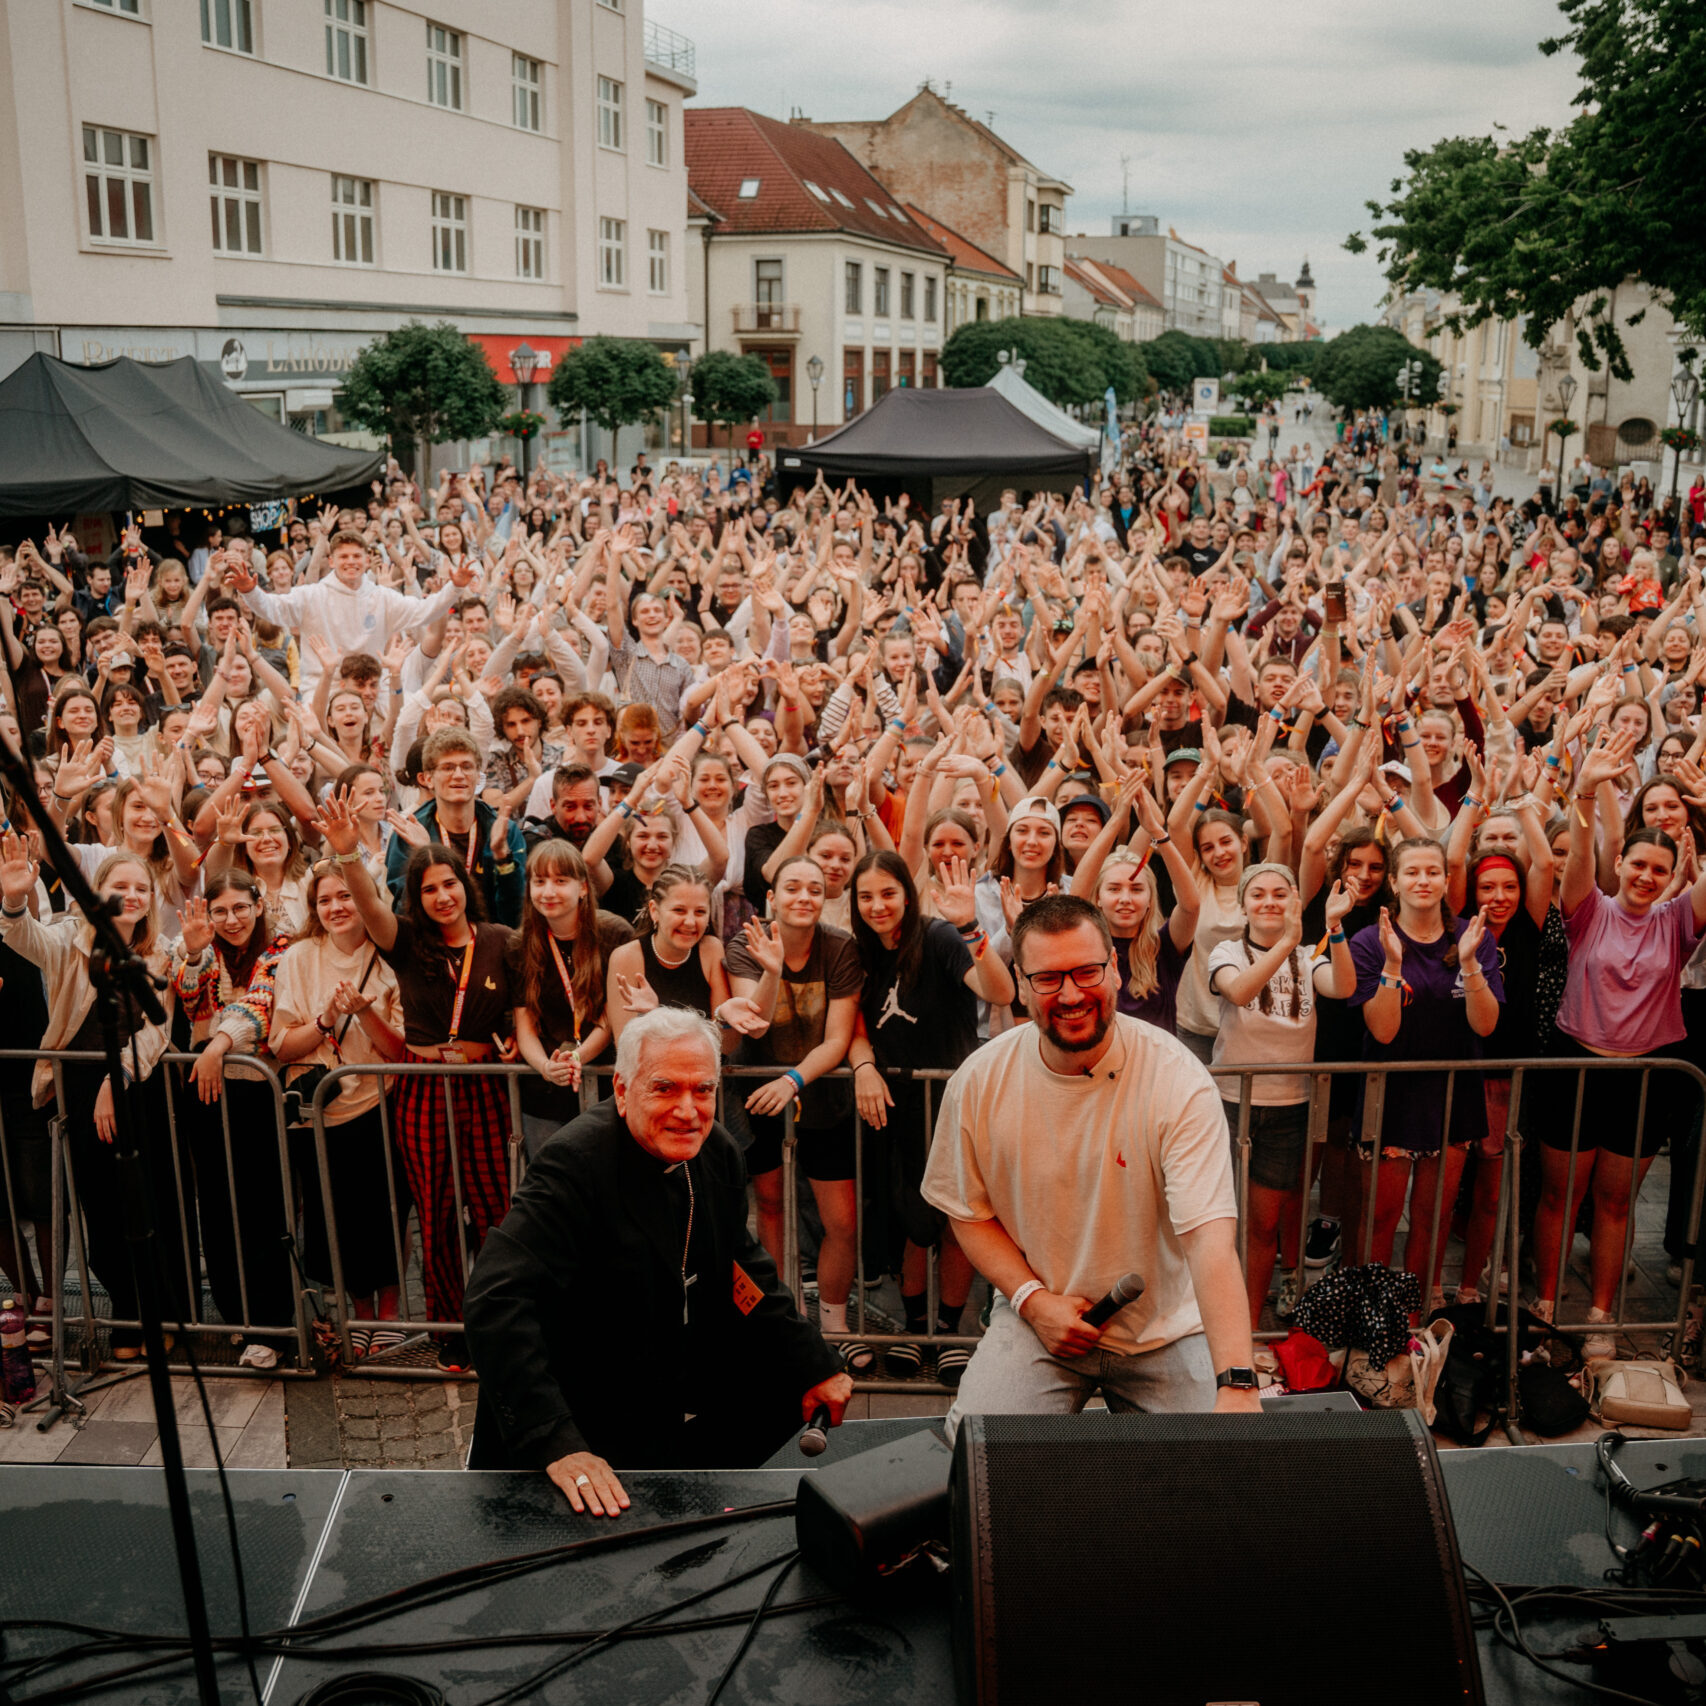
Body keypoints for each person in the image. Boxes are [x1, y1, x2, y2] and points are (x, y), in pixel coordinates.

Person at [463, 1007, 852, 1509]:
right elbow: (496, 1300)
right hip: (577, 1399)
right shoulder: (574, 1163)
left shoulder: (717, 1150)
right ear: (623, 1091)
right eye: (665, 1088)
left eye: (703, 1090)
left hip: (657, 1382)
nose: (688, 1110)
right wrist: (556, 1443)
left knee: (780, 1385)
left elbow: (742, 1266)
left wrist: (814, 1361)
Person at [923, 894, 1258, 1437]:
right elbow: (968, 1210)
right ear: (1023, 984)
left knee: (1217, 1473)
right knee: (976, 1456)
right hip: (1038, 1324)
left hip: (1166, 1330)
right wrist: (1033, 1302)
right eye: (1050, 978)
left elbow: (1209, 1240)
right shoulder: (979, 1081)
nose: (1072, 994)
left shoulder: (1178, 1078)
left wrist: (1238, 1382)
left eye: (1087, 971)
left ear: (1116, 971)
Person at [319, 790, 515, 1371]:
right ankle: (451, 1332)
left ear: (464, 885)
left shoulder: (501, 940)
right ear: (417, 897)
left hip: (484, 1086)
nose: (441, 896)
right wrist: (350, 854)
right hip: (424, 1088)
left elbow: (521, 1012)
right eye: (428, 888)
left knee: (497, 1213)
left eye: (449, 884)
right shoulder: (406, 941)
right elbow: (371, 908)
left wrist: (499, 1048)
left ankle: (501, 1322)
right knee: (435, 1213)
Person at [1533, 729, 1706, 1358]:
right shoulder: (1590, 908)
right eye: (1637, 864)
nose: (1646, 876)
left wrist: (1703, 805)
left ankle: (1602, 1315)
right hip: (1575, 1066)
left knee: (1613, 1204)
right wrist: (1584, 796)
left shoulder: (1679, 919)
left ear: (1670, 877)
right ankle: (1546, 1305)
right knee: (1559, 1196)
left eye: (1660, 870)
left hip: (1643, 1077)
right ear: (1621, 865)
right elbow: (1577, 859)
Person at [0, 837, 191, 1361]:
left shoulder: (160, 953)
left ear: (152, 898)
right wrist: (14, 900)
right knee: (103, 1212)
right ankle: (128, 1317)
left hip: (139, 1090)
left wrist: (116, 1079)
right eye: (118, 886)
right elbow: (24, 939)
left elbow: (156, 1031)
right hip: (80, 1090)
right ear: (96, 892)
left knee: (151, 1206)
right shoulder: (70, 940)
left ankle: (166, 1317)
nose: (130, 896)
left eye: (139, 888)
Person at [847, 849, 1014, 1385]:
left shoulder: (940, 936)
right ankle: (916, 1329)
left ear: (908, 893)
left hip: (951, 1098)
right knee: (909, 1221)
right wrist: (865, 1065)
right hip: (893, 1105)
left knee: (958, 1219)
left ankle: (949, 1331)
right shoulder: (862, 953)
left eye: (888, 893)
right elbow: (851, 1026)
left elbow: (1000, 991)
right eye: (866, 896)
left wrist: (969, 924)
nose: (878, 906)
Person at [1347, 838, 1503, 1300]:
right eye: (1412, 872)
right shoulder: (1370, 942)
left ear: (1447, 880)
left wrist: (1472, 963)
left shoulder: (1473, 937)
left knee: (1433, 1215)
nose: (1423, 881)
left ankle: (1416, 1316)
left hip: (1453, 1094)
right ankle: (1372, 1316)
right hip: (1390, 1094)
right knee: (1381, 1216)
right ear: (1393, 882)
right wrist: (1393, 964)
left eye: (1433, 872)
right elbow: (1384, 1031)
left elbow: (1487, 1024)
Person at [724, 854, 864, 1362]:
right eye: (792, 888)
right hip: (758, 1095)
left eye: (813, 888)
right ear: (772, 898)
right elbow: (752, 1022)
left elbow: (839, 1037)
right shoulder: (746, 944)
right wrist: (773, 968)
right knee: (772, 1208)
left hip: (820, 1094)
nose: (803, 897)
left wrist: (795, 1078)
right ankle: (786, 1319)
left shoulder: (840, 946)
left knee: (841, 1221)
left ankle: (833, 1319)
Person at [270, 860, 408, 1352]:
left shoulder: (389, 956)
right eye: (325, 899)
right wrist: (326, 1020)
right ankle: (359, 1312)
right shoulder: (298, 957)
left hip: (378, 1102)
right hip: (317, 1109)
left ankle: (390, 1309)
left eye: (346, 896)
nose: (336, 907)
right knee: (335, 1218)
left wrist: (364, 1012)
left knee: (384, 1211)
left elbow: (398, 1050)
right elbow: (282, 1045)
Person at [1208, 864, 1355, 1326]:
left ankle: (1248, 1326)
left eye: (1279, 893)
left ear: (1294, 900)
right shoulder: (1227, 950)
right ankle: (1212, 1317)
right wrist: (1288, 943)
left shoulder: (1311, 955)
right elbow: (1238, 989)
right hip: (1231, 1102)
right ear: (1244, 904)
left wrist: (1334, 928)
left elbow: (1344, 987)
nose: (1268, 901)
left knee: (1263, 1224)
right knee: (1216, 1220)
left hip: (1288, 1105)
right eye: (1258, 894)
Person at [171, 870, 297, 1367]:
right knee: (217, 1209)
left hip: (258, 1093)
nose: (231, 919)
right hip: (208, 1093)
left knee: (262, 1210)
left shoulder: (280, 947)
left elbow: (261, 1004)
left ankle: (273, 1327)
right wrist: (196, 952)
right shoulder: (210, 950)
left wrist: (217, 1046)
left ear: (259, 905)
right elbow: (189, 1000)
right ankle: (237, 1317)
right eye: (220, 911)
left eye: (240, 908)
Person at [509, 838, 632, 1156]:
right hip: (545, 1091)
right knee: (553, 1187)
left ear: (583, 888)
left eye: (560, 881)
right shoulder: (520, 945)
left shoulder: (615, 935)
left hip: (605, 1084)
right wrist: (545, 1067)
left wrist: (579, 1057)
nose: (548, 892)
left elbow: (610, 1017)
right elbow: (525, 1025)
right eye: (539, 881)